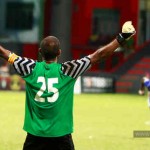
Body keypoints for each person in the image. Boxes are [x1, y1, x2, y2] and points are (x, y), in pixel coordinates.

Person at [0, 21, 135, 150]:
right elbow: (99, 55)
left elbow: (5, 53)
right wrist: (122, 37)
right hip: (61, 138)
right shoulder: (69, 70)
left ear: (40, 51)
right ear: (59, 52)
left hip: (34, 138)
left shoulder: (28, 67)